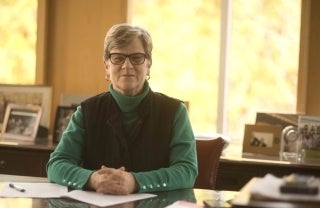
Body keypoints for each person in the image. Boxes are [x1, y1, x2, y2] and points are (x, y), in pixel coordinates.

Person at [46, 23, 198, 195]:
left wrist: (136, 182)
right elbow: (56, 164)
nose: (127, 66)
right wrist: (93, 179)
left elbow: (187, 171)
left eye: (136, 57)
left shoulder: (175, 112)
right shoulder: (87, 112)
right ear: (106, 66)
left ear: (148, 64)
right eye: (118, 58)